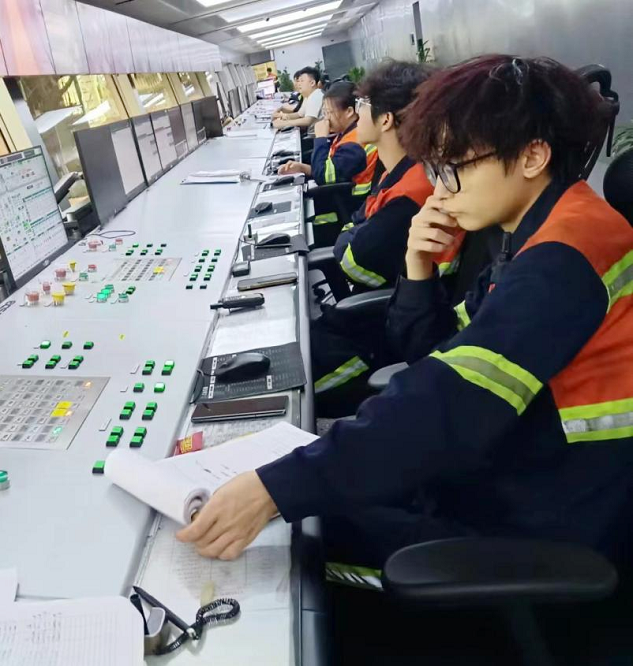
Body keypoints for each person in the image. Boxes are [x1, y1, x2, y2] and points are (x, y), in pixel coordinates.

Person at [177, 56, 631, 579]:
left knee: (289, 543)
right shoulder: (537, 232)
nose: (440, 191)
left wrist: (274, 489)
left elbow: (446, 403)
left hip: (536, 519)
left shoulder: (563, 259)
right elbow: (436, 356)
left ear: (532, 156)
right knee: (311, 504)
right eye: (436, 170)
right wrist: (418, 269)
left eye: (454, 169)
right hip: (498, 471)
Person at [310, 60, 446, 415]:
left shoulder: (412, 193)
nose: (357, 113)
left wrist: (348, 236)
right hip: (370, 316)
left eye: (363, 104)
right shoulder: (397, 173)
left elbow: (354, 259)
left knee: (292, 382)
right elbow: (356, 226)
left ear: (386, 119)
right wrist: (350, 235)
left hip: (375, 333)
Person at [280, 81, 379, 244]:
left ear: (349, 112)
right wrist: (304, 168)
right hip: (339, 199)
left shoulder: (354, 144)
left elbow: (324, 177)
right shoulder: (347, 134)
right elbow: (333, 169)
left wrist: (320, 138)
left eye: (329, 112)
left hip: (344, 209)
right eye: (324, 112)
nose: (326, 118)